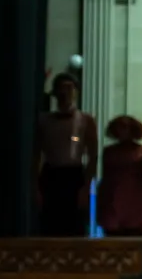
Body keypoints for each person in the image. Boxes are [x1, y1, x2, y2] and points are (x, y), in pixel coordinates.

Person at [34, 72, 97, 237]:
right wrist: (35, 187)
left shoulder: (85, 120)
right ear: (54, 93)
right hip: (51, 174)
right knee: (49, 224)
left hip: (74, 174)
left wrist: (86, 187)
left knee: (74, 224)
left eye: (69, 88)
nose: (65, 92)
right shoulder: (44, 120)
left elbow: (93, 155)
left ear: (76, 91)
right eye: (61, 88)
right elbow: (36, 154)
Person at [95, 115, 142, 238]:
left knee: (136, 240)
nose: (122, 131)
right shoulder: (109, 151)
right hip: (113, 199)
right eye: (119, 128)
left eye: (125, 127)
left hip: (136, 200)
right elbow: (105, 178)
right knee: (113, 241)